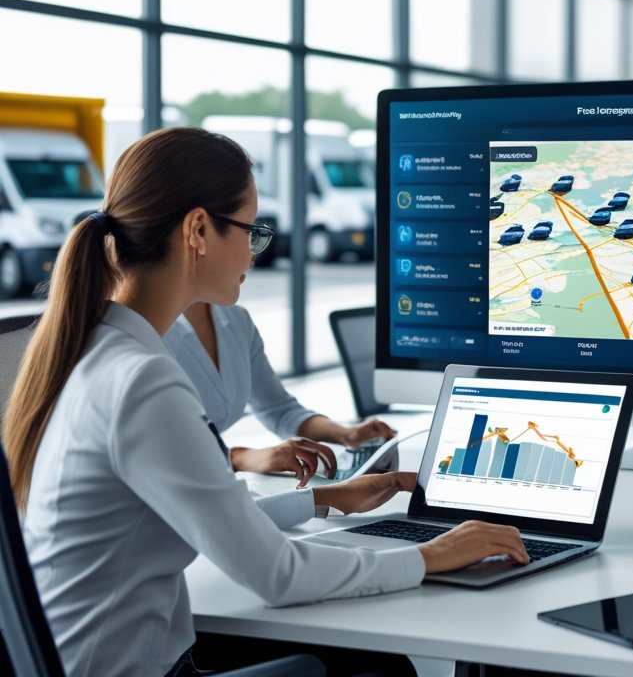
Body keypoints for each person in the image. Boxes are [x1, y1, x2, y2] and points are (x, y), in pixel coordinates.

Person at [3, 127, 528, 677]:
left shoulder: (93, 349)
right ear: (198, 231)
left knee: (357, 658)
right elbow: (277, 575)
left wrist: (326, 498)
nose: (256, 251)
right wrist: (433, 555)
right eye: (250, 231)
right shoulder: (141, 382)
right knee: (382, 668)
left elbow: (210, 515)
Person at [166, 300, 395, 488]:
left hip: (209, 483)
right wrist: (241, 458)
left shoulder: (235, 319)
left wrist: (346, 434)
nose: (253, 255)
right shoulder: (150, 330)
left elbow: (279, 408)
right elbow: (166, 447)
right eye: (246, 241)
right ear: (197, 242)